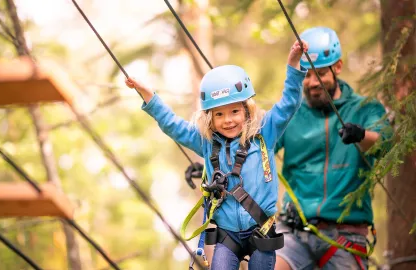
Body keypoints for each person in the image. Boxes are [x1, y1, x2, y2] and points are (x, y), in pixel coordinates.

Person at [125, 40, 309, 270]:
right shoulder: (206, 142)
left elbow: (289, 103)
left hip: (261, 230)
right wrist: (148, 95)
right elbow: (172, 125)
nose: (228, 120)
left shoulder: (265, 134)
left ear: (247, 110)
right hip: (227, 236)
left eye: (234, 111)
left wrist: (294, 64)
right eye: (219, 114)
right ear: (210, 118)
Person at [274, 27, 390, 270]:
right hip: (293, 231)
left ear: (337, 67)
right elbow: (258, 149)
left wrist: (361, 135)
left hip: (345, 234)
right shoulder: (290, 113)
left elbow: (385, 143)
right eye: (305, 75)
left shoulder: (365, 109)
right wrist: (211, 166)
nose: (313, 83)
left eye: (320, 74)